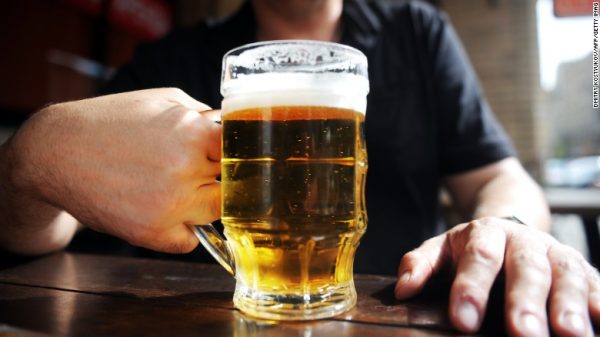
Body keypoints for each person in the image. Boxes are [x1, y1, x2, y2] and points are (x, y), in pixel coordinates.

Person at [0, 0, 598, 336]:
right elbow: (40, 227)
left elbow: (498, 174)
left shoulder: (419, 32)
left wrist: (508, 224)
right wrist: (34, 157)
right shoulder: (170, 59)